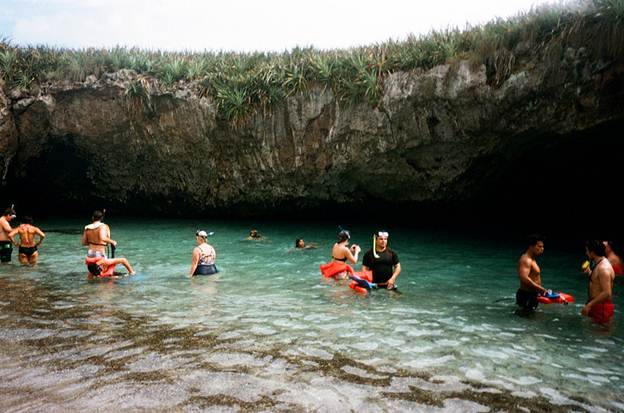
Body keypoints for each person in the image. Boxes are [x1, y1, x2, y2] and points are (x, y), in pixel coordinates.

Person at [81, 210, 134, 277]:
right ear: (101, 218)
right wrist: (112, 241)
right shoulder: (103, 226)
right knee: (107, 267)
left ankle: (91, 282)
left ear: (92, 218)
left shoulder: (87, 228)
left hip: (90, 253)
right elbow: (102, 237)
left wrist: (93, 241)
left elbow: (83, 242)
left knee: (95, 270)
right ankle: (132, 273)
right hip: (99, 254)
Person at [581, 240, 615, 324]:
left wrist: (589, 305)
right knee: (593, 333)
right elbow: (598, 282)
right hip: (596, 306)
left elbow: (607, 293)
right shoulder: (599, 264)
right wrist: (589, 272)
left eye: (587, 251)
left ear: (592, 252)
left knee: (600, 335)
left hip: (601, 308)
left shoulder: (604, 268)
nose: (586, 253)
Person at [516, 234, 548, 310]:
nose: (542, 249)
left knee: (530, 318)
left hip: (532, 295)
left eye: (543, 247)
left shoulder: (532, 259)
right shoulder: (526, 260)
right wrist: (541, 289)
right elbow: (524, 278)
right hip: (526, 295)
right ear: (531, 246)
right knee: (525, 319)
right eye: (539, 246)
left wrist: (539, 291)